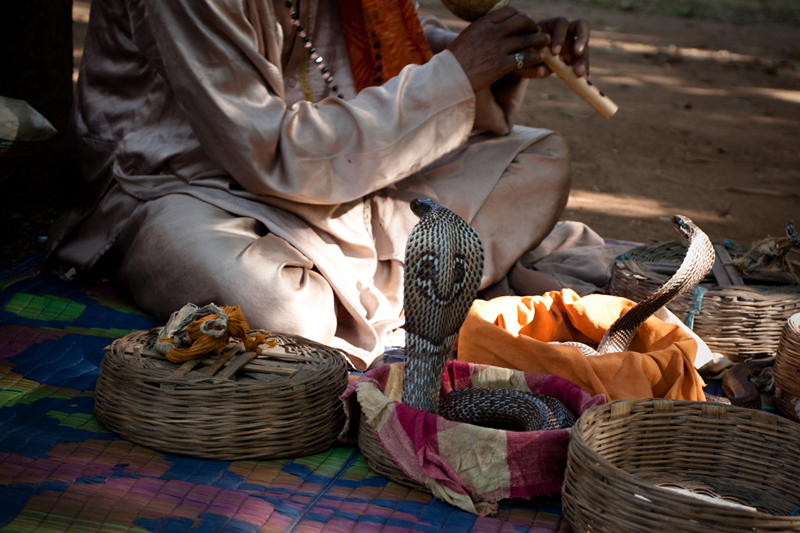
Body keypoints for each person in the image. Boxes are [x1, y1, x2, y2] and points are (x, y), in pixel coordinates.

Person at [46, 0, 592, 369]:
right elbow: (267, 150)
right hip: (182, 182)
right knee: (282, 310)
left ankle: (357, 285)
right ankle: (416, 279)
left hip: (334, 168)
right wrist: (456, 72)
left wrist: (498, 57)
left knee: (539, 158)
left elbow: (365, 50)